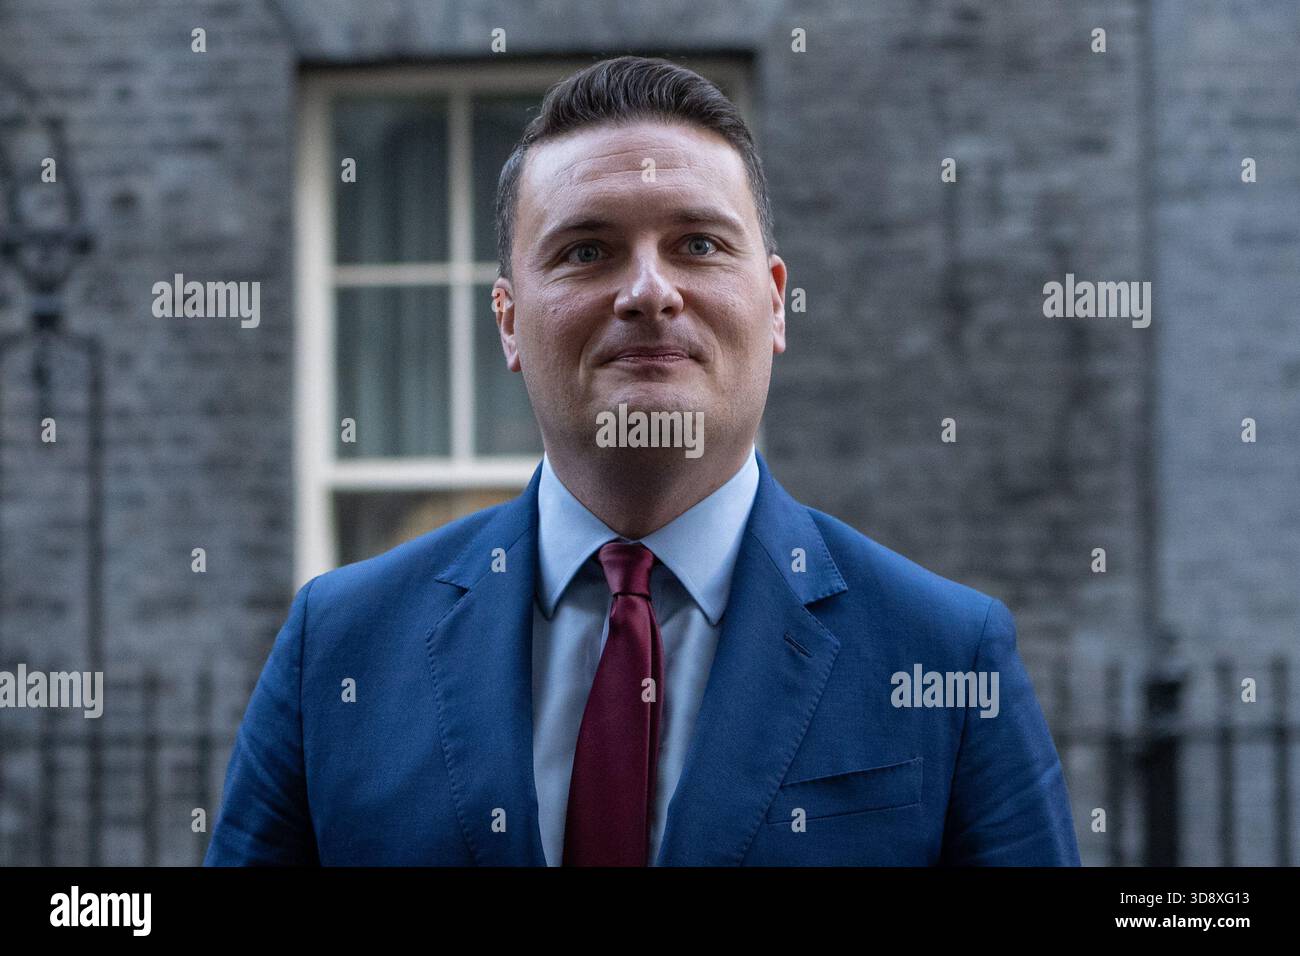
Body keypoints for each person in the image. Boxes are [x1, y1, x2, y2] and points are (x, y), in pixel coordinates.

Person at [205, 55, 1079, 866]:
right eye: (588, 250)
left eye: (699, 244)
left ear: (774, 303)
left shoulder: (944, 653)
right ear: (508, 320)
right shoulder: (339, 646)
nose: (649, 291)